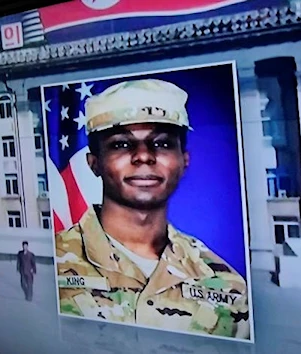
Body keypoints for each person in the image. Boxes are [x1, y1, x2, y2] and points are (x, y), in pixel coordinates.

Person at [55, 79, 250, 339]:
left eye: (162, 143)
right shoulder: (51, 263)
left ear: (184, 161)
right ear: (94, 163)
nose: (144, 155)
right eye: (121, 144)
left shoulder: (227, 285)